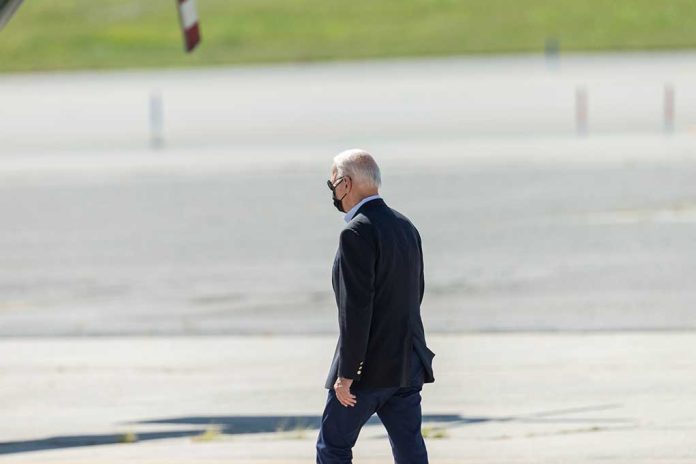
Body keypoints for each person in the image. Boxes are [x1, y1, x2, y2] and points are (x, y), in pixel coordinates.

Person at [316, 149, 436, 464]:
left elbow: (356, 309)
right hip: (407, 364)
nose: (333, 192)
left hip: (367, 371)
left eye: (332, 184)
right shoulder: (405, 226)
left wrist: (348, 372)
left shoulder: (356, 232)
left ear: (345, 183)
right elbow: (415, 294)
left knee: (332, 448)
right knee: (410, 450)